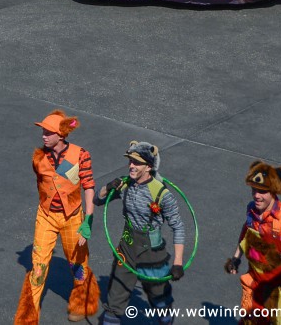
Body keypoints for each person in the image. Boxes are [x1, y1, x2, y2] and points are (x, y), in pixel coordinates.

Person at [14, 110, 99, 324]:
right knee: (38, 267)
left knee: (78, 264)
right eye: (43, 130)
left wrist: (88, 219)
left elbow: (88, 186)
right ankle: (27, 317)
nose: (43, 135)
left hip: (72, 218)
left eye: (48, 132)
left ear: (60, 135)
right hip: (46, 217)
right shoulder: (38, 157)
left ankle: (83, 303)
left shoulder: (81, 155)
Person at [95, 141, 185, 325]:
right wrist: (108, 186)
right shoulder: (125, 185)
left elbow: (178, 227)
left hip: (152, 252)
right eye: (130, 161)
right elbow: (97, 200)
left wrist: (178, 263)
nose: (131, 166)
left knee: (160, 299)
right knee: (114, 302)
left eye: (136, 162)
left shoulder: (161, 193)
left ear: (149, 167)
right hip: (127, 248)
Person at [224, 160, 281, 318]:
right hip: (255, 283)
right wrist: (236, 258)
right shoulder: (251, 209)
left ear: (273, 191)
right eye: (254, 190)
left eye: (262, 191)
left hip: (280, 288)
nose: (256, 196)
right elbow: (246, 232)